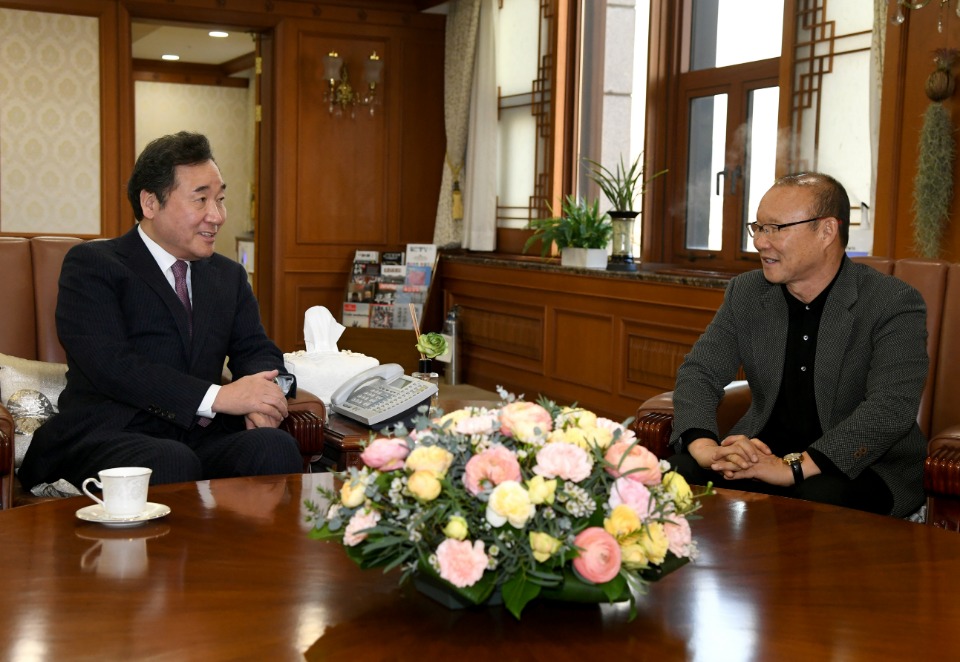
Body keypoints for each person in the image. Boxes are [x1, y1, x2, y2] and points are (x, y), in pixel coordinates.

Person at [19, 131, 303, 493]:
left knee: (274, 447)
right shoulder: (94, 265)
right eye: (201, 200)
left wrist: (266, 396)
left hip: (202, 436)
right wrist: (220, 397)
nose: (216, 215)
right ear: (150, 204)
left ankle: (247, 552)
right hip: (110, 434)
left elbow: (256, 349)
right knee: (169, 461)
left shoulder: (227, 276)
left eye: (220, 199)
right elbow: (112, 365)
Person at [668, 172, 928, 518]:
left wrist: (792, 467)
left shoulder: (890, 302)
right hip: (762, 453)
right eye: (758, 227)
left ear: (826, 231)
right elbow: (700, 372)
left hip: (859, 465)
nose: (760, 242)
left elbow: (891, 407)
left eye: (775, 228)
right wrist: (705, 448)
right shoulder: (747, 293)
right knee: (673, 475)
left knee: (815, 500)